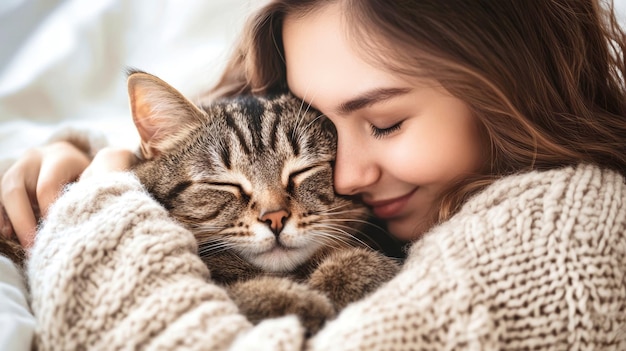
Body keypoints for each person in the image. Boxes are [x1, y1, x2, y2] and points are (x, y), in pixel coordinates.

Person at [2, 0, 626, 349]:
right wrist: (87, 155)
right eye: (322, 129)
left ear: (509, 86)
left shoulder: (571, 232)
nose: (344, 177)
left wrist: (102, 203)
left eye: (383, 122)